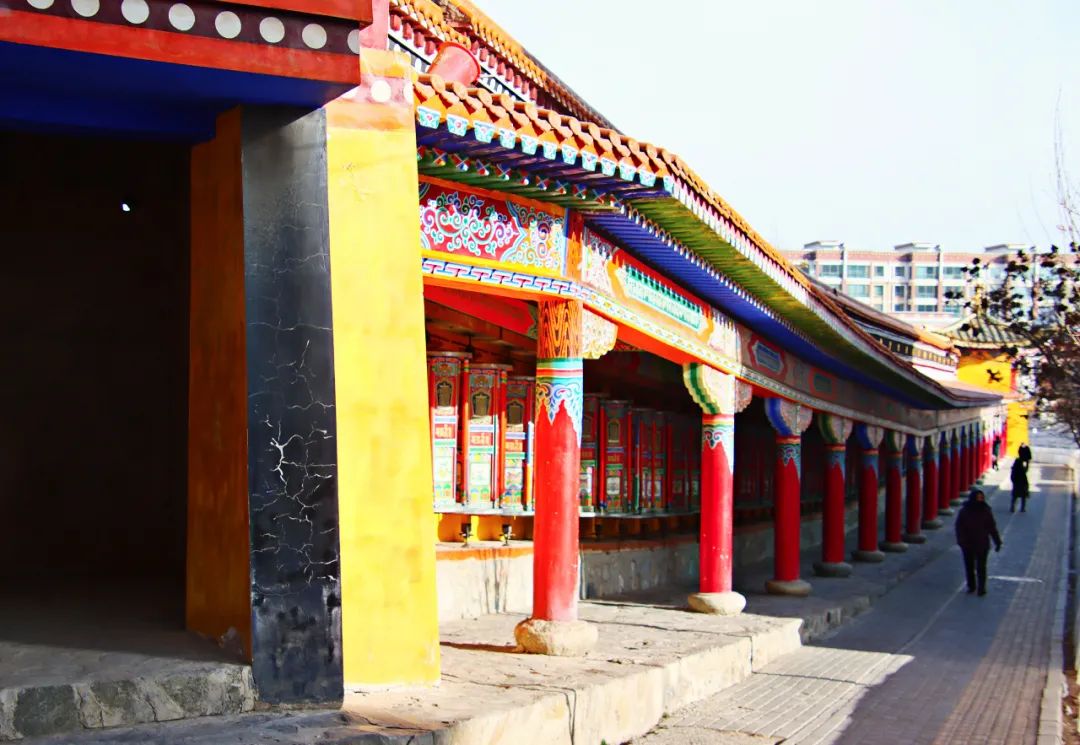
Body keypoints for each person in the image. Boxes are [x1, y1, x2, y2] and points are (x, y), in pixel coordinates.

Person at [955, 488, 1002, 596]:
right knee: (969, 566)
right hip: (968, 543)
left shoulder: (985, 510)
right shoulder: (965, 511)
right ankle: (971, 586)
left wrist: (997, 541)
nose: (980, 499)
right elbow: (959, 527)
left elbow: (991, 527)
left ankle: (981, 587)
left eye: (981, 497)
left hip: (982, 542)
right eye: (978, 497)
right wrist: (961, 541)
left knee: (981, 566)